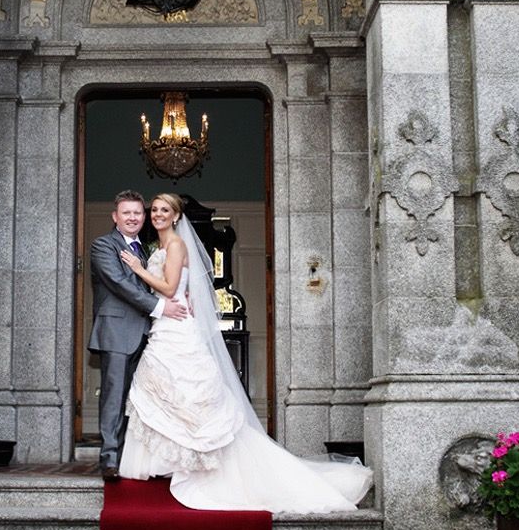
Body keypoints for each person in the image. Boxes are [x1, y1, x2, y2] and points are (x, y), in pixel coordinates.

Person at [118, 192, 374, 513]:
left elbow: (168, 288)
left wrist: (137, 268)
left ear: (176, 216)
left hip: (176, 326)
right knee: (166, 391)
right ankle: (172, 460)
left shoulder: (176, 245)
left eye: (164, 210)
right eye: (153, 210)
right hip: (170, 321)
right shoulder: (162, 247)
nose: (157, 215)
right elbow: (177, 289)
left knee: (179, 390)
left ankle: (197, 462)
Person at [88, 189, 188, 481]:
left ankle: (140, 458)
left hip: (150, 335)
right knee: (114, 396)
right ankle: (109, 460)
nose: (133, 218)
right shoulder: (103, 246)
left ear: (143, 217)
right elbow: (119, 284)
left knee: (143, 400)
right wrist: (161, 306)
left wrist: (186, 294)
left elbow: (164, 280)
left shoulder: (146, 249)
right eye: (127, 213)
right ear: (115, 217)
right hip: (117, 332)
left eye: (137, 213)